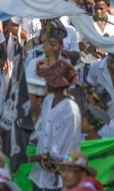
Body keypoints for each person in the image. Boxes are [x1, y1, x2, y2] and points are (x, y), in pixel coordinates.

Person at [29, 59, 81, 190]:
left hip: (59, 180)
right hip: (39, 176)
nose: (45, 81)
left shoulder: (70, 110)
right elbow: (46, 130)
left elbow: (64, 151)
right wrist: (35, 139)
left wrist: (31, 158)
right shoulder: (48, 100)